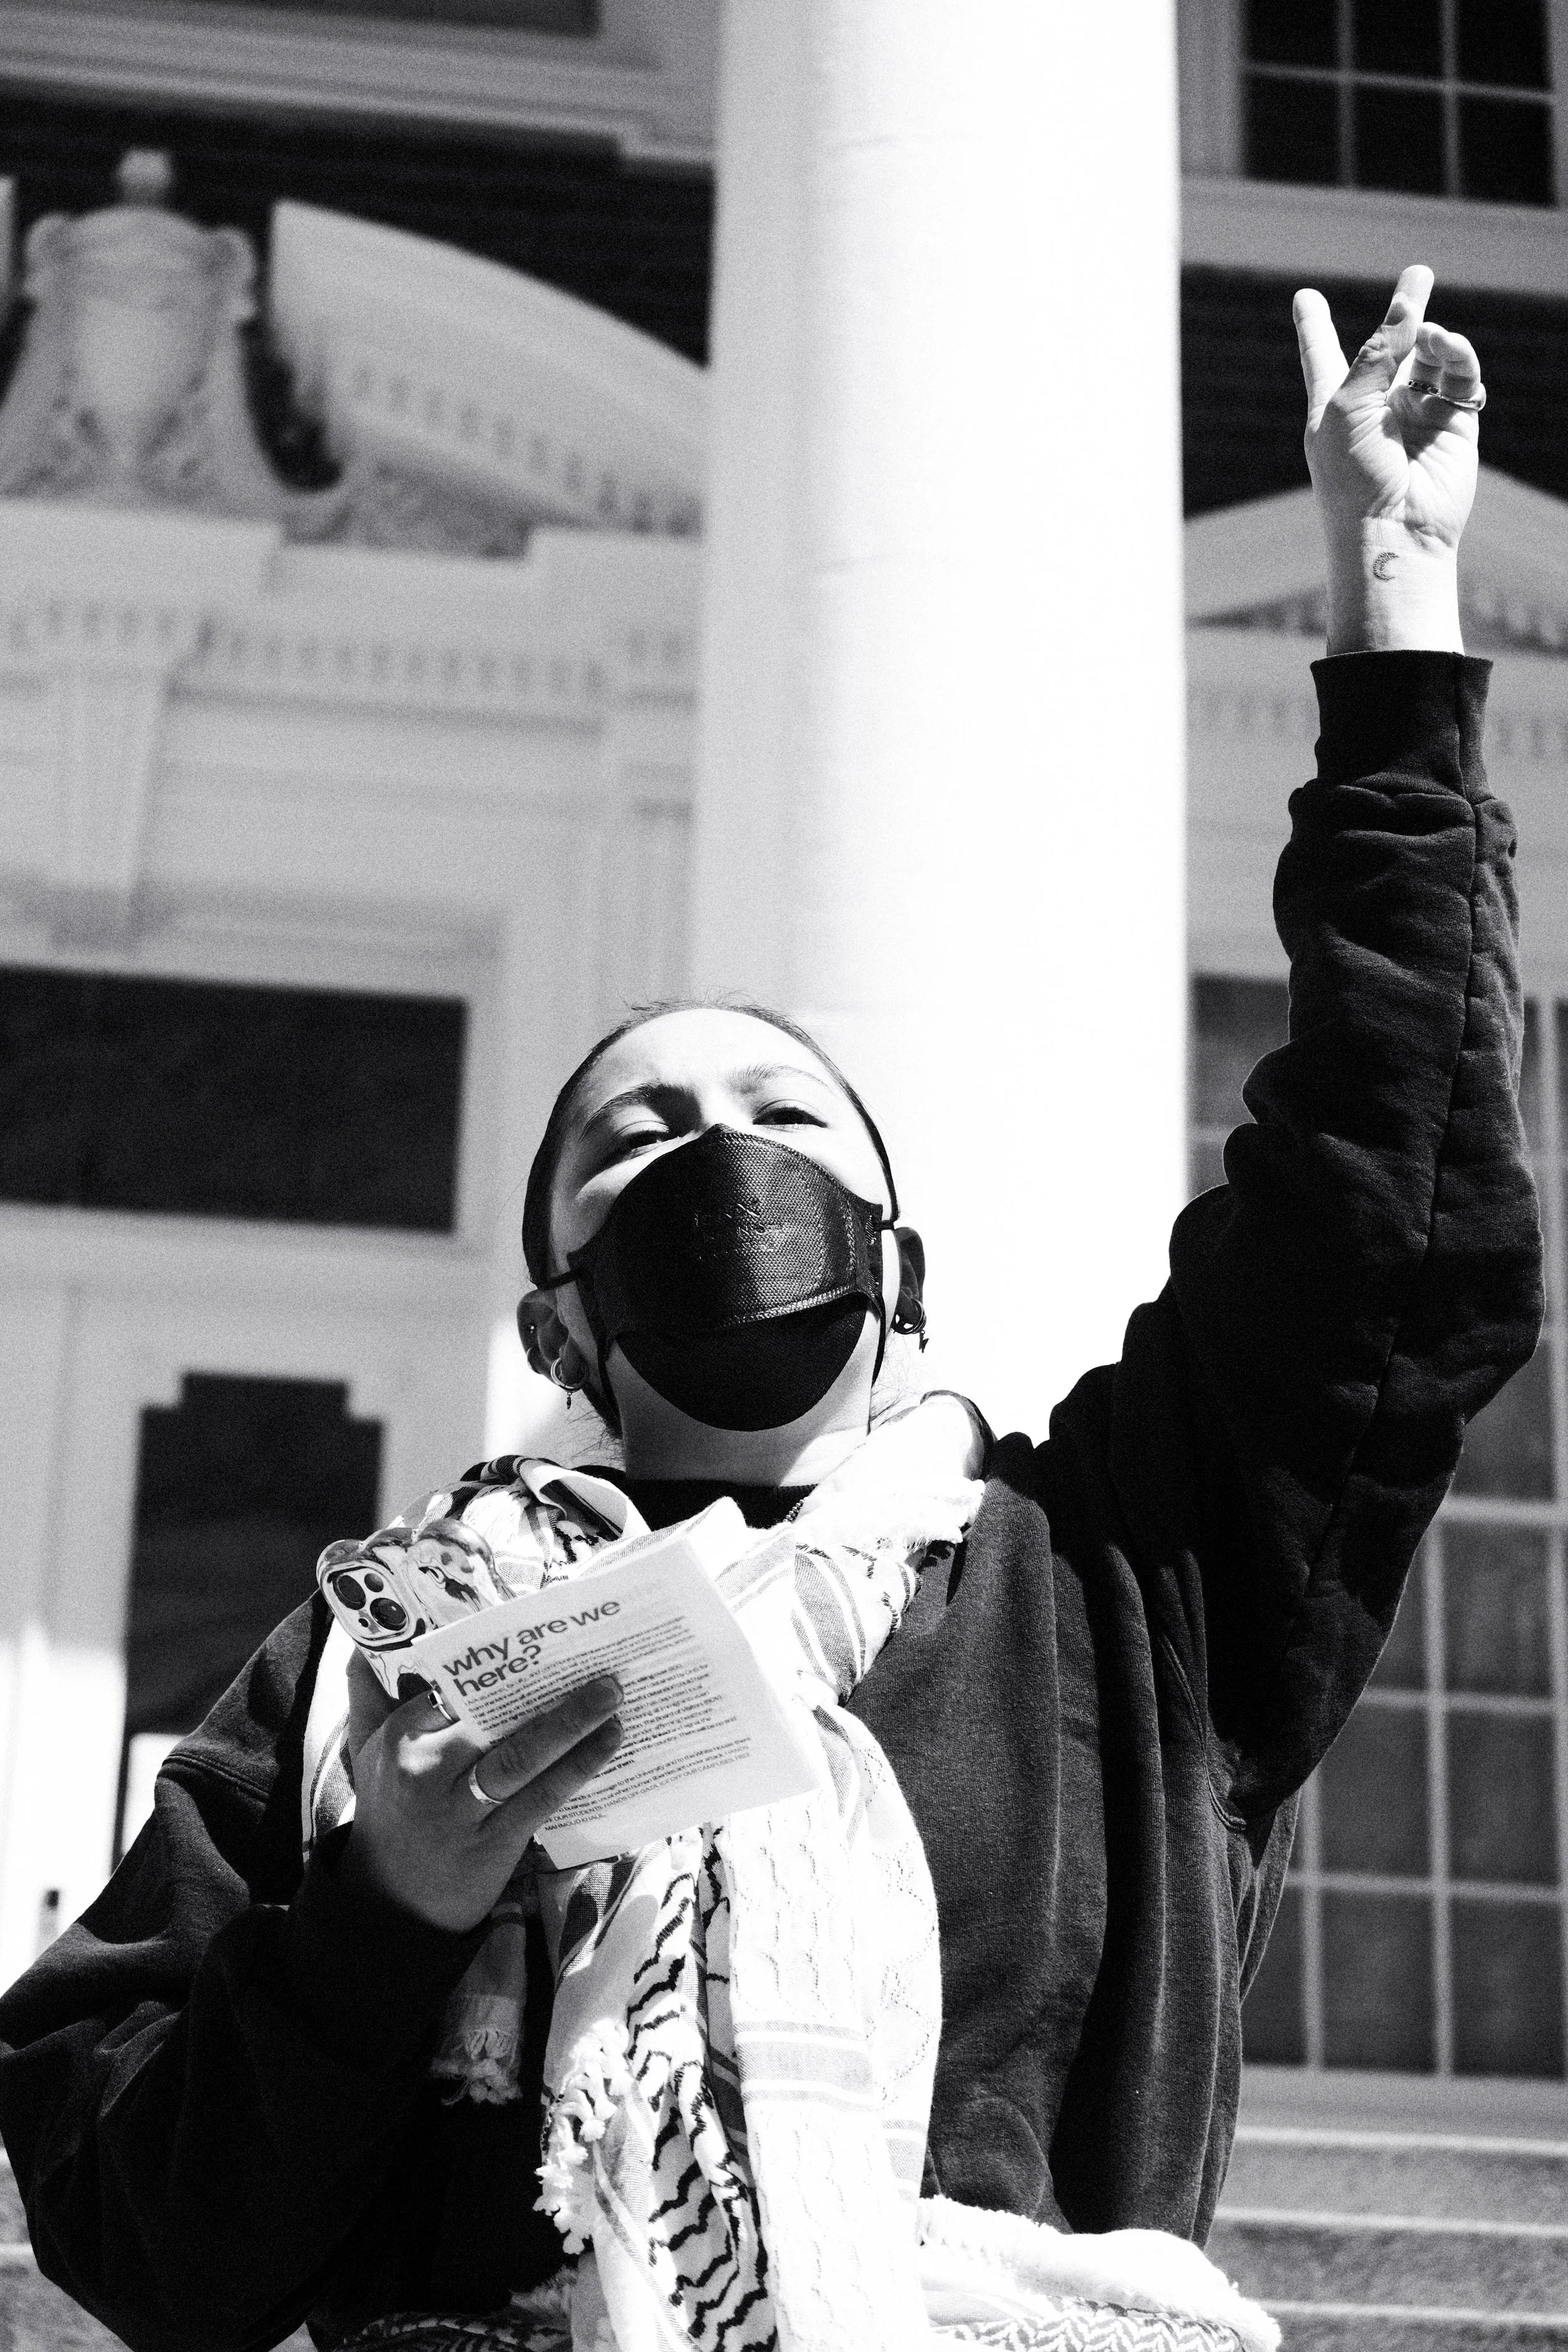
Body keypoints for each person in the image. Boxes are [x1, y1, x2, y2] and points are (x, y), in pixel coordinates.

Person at [0, 267, 1544, 2352]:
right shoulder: (383, 1660)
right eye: (636, 1137)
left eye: (781, 1112)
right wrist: (387, 1909)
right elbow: (138, 2228)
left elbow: (1399, 1206)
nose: (721, 1155)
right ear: (555, 1323)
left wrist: (1393, 599)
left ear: (896, 1278)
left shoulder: (1116, 1577)